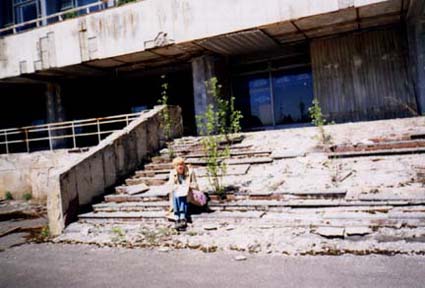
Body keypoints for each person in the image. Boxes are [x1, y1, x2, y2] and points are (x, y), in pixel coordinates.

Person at [167, 157, 199, 231]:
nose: (180, 167)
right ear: (175, 166)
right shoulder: (173, 173)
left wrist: (187, 186)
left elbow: (195, 185)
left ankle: (181, 216)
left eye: (181, 164)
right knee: (176, 192)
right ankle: (178, 218)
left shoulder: (190, 172)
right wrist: (177, 187)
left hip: (189, 194)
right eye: (177, 165)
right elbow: (170, 185)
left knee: (182, 194)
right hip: (177, 195)